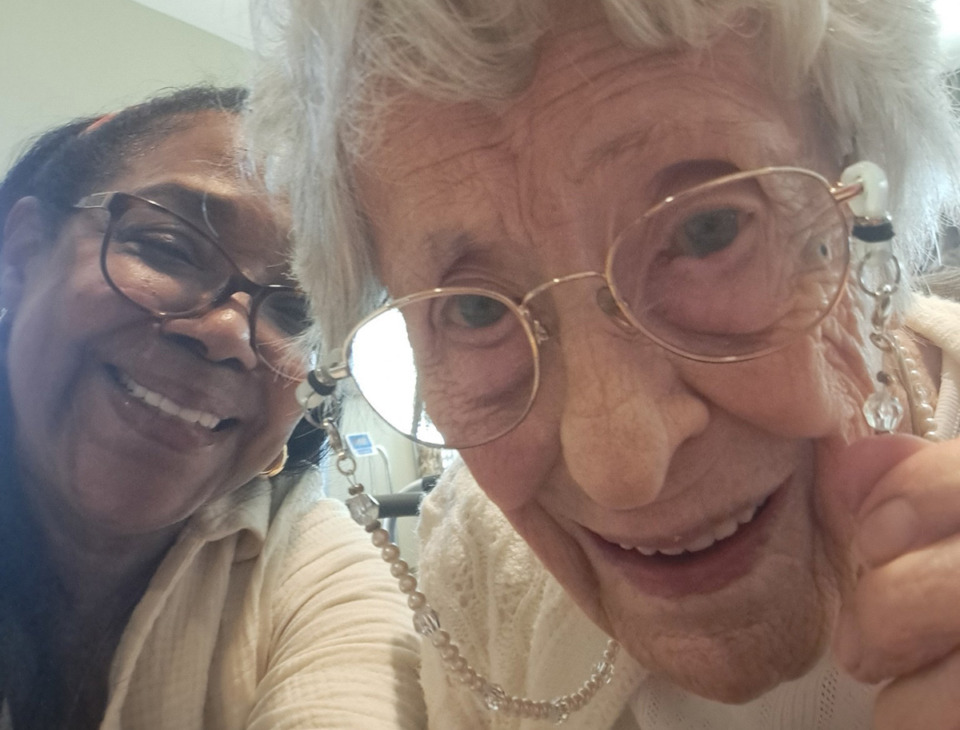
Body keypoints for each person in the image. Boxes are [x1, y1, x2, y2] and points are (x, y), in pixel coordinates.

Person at [250, 0, 960, 727]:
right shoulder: (475, 567)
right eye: (475, 311)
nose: (620, 465)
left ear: (867, 204)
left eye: (708, 231)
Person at [0, 86, 424, 729]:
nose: (228, 332)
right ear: (25, 253)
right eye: (167, 247)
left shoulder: (312, 563)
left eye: (295, 309)